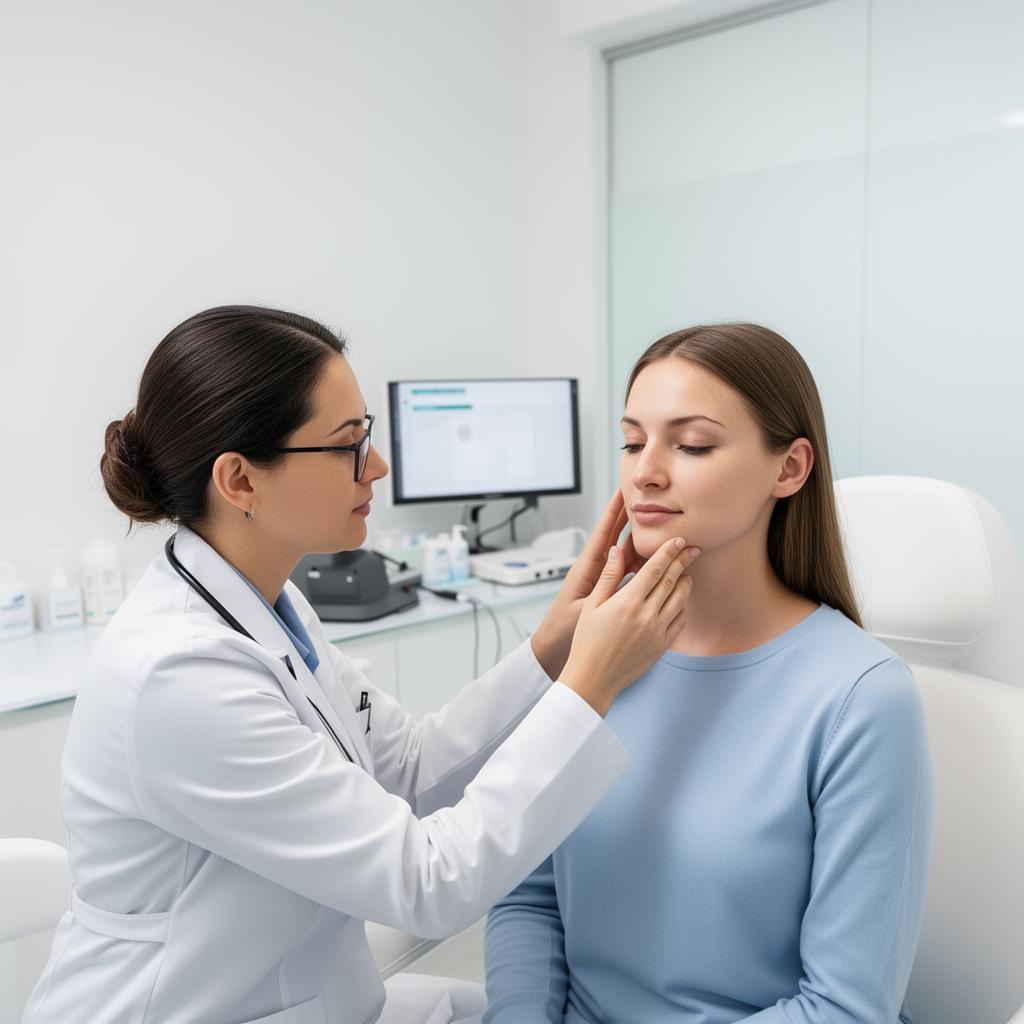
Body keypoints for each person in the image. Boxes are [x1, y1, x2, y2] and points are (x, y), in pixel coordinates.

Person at [22, 306, 702, 1024]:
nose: (376, 467)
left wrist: (551, 651)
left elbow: (409, 765)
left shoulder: (268, 602)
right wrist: (590, 686)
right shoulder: (177, 675)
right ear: (241, 481)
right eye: (349, 445)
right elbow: (430, 883)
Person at [484, 323, 935, 1023]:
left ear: (788, 469)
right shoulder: (598, 655)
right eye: (633, 442)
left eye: (690, 444)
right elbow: (527, 890)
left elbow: (845, 1007)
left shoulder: (861, 699)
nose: (645, 472)